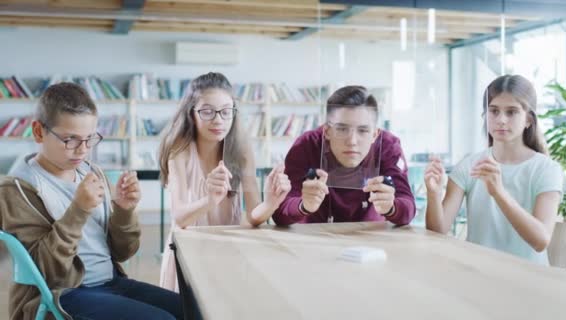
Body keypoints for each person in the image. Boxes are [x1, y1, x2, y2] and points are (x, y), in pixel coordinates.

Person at [0, 82, 183, 319]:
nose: (82, 150)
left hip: (111, 282)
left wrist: (124, 211)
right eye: (71, 140)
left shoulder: (92, 173)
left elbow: (123, 252)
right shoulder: (17, 189)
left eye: (89, 139)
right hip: (64, 293)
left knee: (193, 309)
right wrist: (78, 211)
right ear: (38, 131)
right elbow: (45, 271)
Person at [158, 72, 290, 292]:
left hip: (227, 251)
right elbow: (179, 217)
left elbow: (254, 217)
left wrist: (271, 202)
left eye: (226, 112)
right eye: (208, 111)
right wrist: (210, 200)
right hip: (188, 254)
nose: (218, 120)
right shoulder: (179, 151)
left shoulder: (242, 152)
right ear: (192, 114)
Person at [424, 75, 563, 264]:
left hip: (530, 282)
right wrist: (433, 194)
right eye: (494, 111)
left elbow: (541, 241)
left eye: (512, 112)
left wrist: (498, 193)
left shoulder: (547, 169)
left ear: (529, 119)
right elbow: (438, 232)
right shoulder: (468, 166)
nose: (501, 120)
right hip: (478, 276)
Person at [272, 85, 416, 225]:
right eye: (342, 129)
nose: (352, 141)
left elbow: (408, 207)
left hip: (370, 238)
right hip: (316, 237)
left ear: (374, 134)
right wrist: (303, 205)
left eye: (363, 130)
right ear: (326, 131)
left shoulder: (388, 146)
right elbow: (279, 212)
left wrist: (392, 208)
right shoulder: (307, 145)